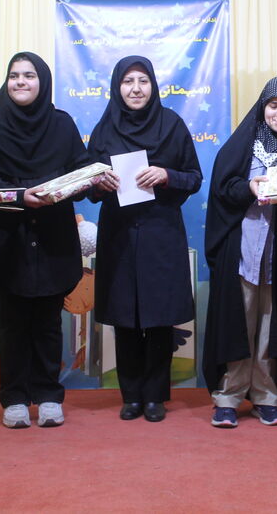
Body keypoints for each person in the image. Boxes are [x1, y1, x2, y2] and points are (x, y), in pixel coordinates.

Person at [0, 51, 95, 430]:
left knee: (47, 322)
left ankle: (48, 395)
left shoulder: (62, 124)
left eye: (29, 75)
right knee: (12, 324)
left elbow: (80, 169)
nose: (21, 82)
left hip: (52, 236)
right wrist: (20, 195)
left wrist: (83, 180)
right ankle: (14, 397)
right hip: (10, 237)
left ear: (42, 82)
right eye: (14, 75)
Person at [203, 76, 277, 428]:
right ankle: (228, 396)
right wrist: (249, 187)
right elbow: (223, 189)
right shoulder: (241, 145)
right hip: (242, 252)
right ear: (262, 107)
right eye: (273, 105)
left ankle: (265, 396)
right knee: (238, 321)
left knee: (272, 327)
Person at [88, 56, 202, 423]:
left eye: (143, 81)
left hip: (160, 232)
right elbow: (87, 184)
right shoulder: (104, 128)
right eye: (128, 81)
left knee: (159, 317)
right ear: (117, 87)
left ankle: (155, 396)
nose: (135, 89)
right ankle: (131, 396)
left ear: (153, 85)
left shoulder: (172, 124)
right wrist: (99, 182)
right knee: (124, 316)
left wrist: (167, 175)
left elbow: (194, 177)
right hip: (119, 235)